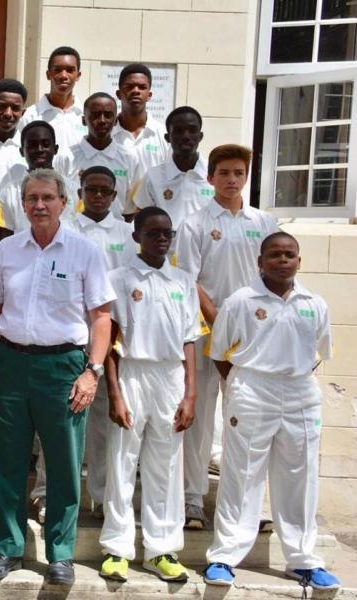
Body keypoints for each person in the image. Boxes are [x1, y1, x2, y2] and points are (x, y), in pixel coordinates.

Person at [0, 168, 114, 586]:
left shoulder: (85, 251)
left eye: (47, 198)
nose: (39, 205)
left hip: (64, 367)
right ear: (23, 204)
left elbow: (102, 317)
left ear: (63, 203)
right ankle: (6, 547)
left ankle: (60, 553)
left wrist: (92, 371)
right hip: (10, 364)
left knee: (65, 464)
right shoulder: (7, 251)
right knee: (5, 461)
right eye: (32, 198)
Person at [203, 232, 340, 592]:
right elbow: (220, 354)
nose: (283, 261)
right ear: (260, 262)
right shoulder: (241, 301)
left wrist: (288, 380)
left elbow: (318, 353)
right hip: (252, 388)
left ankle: (304, 560)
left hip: (299, 392)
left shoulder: (315, 303)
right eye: (275, 255)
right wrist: (242, 387)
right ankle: (225, 556)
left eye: (289, 255)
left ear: (299, 261)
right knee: (242, 474)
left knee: (301, 476)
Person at [176, 144, 278, 530]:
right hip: (206, 332)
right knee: (200, 417)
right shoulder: (195, 223)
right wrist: (216, 318)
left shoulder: (263, 222)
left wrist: (247, 322)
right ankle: (192, 500)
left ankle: (248, 506)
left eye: (238, 173)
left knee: (247, 419)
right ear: (211, 177)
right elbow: (188, 277)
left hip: (252, 337)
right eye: (224, 173)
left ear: (246, 176)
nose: (232, 180)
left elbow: (272, 277)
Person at [98, 206, 199, 583]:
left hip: (171, 376)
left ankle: (161, 549)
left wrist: (190, 394)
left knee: (166, 466)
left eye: (166, 233)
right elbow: (109, 340)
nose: (161, 239)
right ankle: (117, 549)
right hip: (132, 373)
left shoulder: (183, 281)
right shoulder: (118, 279)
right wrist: (115, 393)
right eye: (153, 232)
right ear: (136, 236)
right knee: (122, 461)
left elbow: (190, 339)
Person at [69, 166, 138, 516]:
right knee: (62, 419)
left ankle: (99, 493)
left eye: (105, 191)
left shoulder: (126, 234)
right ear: (79, 192)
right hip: (69, 332)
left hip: (110, 335)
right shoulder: (67, 228)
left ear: (115, 195)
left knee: (101, 421)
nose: (98, 196)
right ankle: (46, 491)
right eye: (91, 189)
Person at [58, 93, 142, 219]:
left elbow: (130, 210)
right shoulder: (66, 157)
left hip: (115, 234)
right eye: (95, 115)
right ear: (83, 120)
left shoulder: (130, 157)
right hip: (75, 232)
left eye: (108, 115)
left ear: (115, 121)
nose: (102, 120)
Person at [137, 106, 215, 240]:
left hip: (206, 255)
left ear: (200, 136)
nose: (185, 136)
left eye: (192, 130)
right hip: (166, 256)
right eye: (178, 131)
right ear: (167, 137)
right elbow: (142, 216)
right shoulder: (153, 176)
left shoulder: (215, 174)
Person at [0, 120, 72, 236]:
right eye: (33, 145)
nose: (40, 150)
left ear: (55, 149)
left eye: (45, 144)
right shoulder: (8, 192)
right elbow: (3, 238)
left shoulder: (73, 189)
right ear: (22, 151)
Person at [19, 47, 86, 151]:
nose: (64, 75)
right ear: (48, 75)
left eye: (70, 70)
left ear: (78, 75)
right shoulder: (30, 116)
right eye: (57, 70)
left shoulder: (87, 117)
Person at [113, 63, 169, 175]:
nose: (136, 91)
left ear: (149, 95)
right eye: (130, 87)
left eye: (142, 87)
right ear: (119, 94)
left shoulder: (164, 135)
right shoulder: (106, 133)